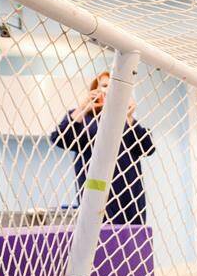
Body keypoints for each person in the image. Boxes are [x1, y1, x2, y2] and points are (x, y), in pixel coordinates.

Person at [50, 71, 156, 225]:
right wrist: (83, 108)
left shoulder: (126, 120)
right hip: (95, 187)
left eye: (114, 87)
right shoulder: (84, 119)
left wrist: (129, 118)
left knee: (131, 238)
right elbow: (59, 139)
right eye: (105, 86)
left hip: (129, 190)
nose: (109, 90)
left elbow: (148, 148)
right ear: (95, 90)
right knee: (97, 235)